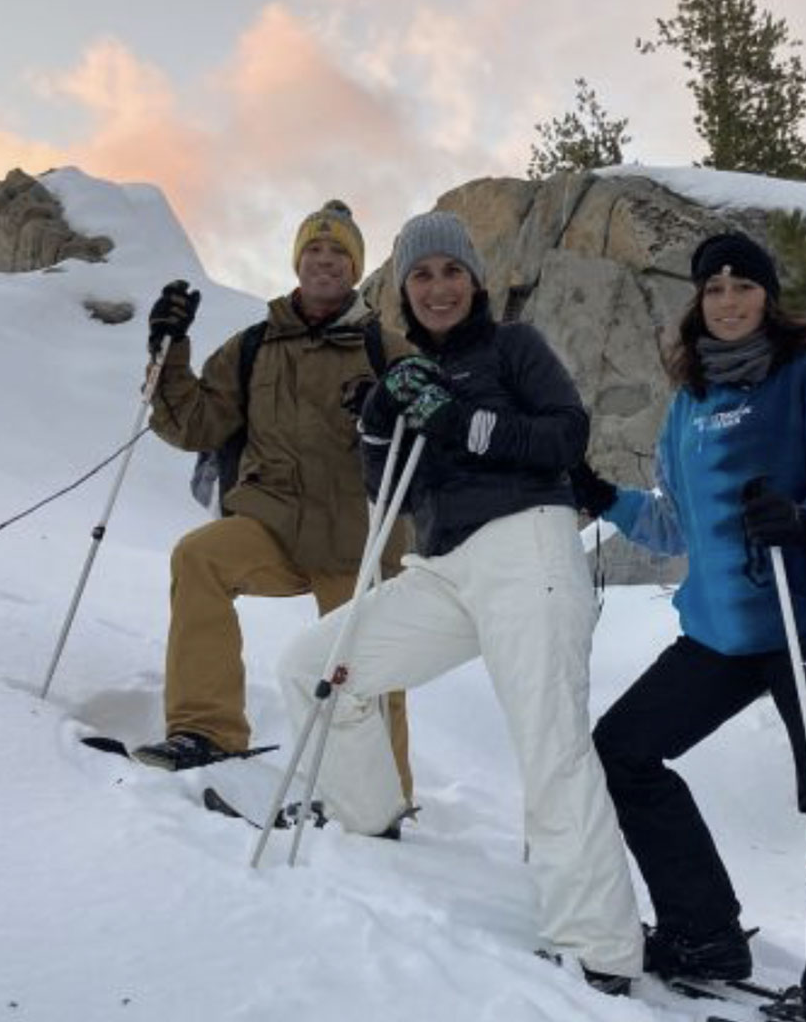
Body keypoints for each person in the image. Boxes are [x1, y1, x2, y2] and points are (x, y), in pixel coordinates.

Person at [273, 210, 644, 992]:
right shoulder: (410, 373)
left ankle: (598, 948)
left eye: (450, 272)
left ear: (476, 280)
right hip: (443, 566)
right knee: (318, 665)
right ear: (403, 292)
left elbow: (563, 437)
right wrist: (380, 424)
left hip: (528, 549)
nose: (438, 288)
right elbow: (390, 496)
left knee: (550, 743)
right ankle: (367, 817)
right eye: (421, 275)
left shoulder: (515, 348)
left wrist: (461, 422)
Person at [575, 232, 806, 1022]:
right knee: (623, 750)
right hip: (722, 634)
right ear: (698, 302)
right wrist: (600, 494)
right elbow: (674, 528)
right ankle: (704, 933)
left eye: (741, 287)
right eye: (713, 289)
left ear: (767, 298)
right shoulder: (689, 405)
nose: (727, 302)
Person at [133, 199, 414, 801]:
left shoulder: (383, 349)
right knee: (199, 557)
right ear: (297, 260)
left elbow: (426, 431)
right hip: (274, 526)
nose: (325, 259)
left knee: (362, 667)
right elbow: (196, 426)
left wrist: (388, 408)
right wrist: (168, 348)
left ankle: (383, 797)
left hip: (357, 540)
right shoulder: (254, 346)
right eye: (315, 248)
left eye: (339, 251)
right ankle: (206, 731)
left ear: (355, 266)